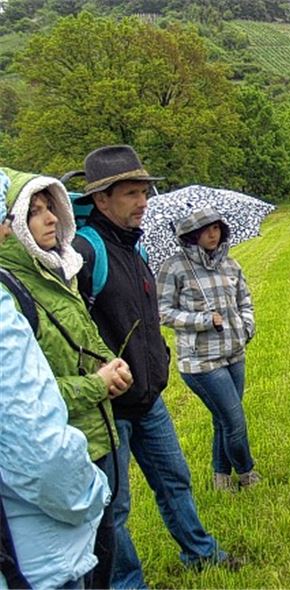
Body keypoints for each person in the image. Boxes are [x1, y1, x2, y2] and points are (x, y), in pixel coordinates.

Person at [71, 145, 239, 588]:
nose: (143, 201)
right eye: (131, 193)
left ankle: (200, 553)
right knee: (114, 505)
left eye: (144, 192)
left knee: (175, 480)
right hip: (109, 408)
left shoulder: (136, 247)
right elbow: (70, 328)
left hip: (149, 398)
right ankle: (127, 583)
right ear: (101, 199)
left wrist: (158, 358)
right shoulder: (85, 253)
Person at [0, 168, 131, 589]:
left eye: (51, 207)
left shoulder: (59, 272)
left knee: (108, 542)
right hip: (65, 462)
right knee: (83, 566)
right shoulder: (12, 295)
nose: (51, 218)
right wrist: (98, 385)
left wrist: (111, 363)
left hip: (98, 435)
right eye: (34, 212)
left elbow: (84, 340)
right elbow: (26, 401)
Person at [156, 207, 260, 492]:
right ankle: (247, 473)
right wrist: (202, 320)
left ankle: (221, 477)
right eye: (205, 229)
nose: (213, 234)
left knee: (222, 419)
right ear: (191, 235)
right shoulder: (175, 268)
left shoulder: (231, 265)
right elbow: (162, 311)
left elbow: (245, 301)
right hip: (200, 362)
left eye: (216, 228)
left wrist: (246, 328)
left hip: (234, 354)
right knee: (234, 420)